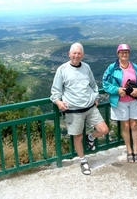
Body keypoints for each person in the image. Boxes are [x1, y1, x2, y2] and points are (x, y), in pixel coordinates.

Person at [50, 42, 109, 175]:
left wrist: (95, 97)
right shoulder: (62, 69)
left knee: (104, 129)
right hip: (74, 110)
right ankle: (83, 160)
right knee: (77, 136)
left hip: (90, 107)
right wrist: (58, 102)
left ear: (82, 55)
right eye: (74, 53)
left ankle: (91, 137)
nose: (76, 56)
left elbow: (93, 85)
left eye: (79, 53)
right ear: (69, 54)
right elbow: (55, 91)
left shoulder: (86, 67)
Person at [102, 44, 137, 163]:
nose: (124, 54)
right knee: (125, 126)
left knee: (134, 125)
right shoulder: (112, 68)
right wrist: (117, 90)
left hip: (134, 101)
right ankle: (129, 150)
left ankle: (136, 150)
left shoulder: (135, 67)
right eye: (122, 52)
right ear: (118, 54)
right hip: (120, 101)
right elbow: (105, 84)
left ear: (129, 53)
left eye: (126, 52)